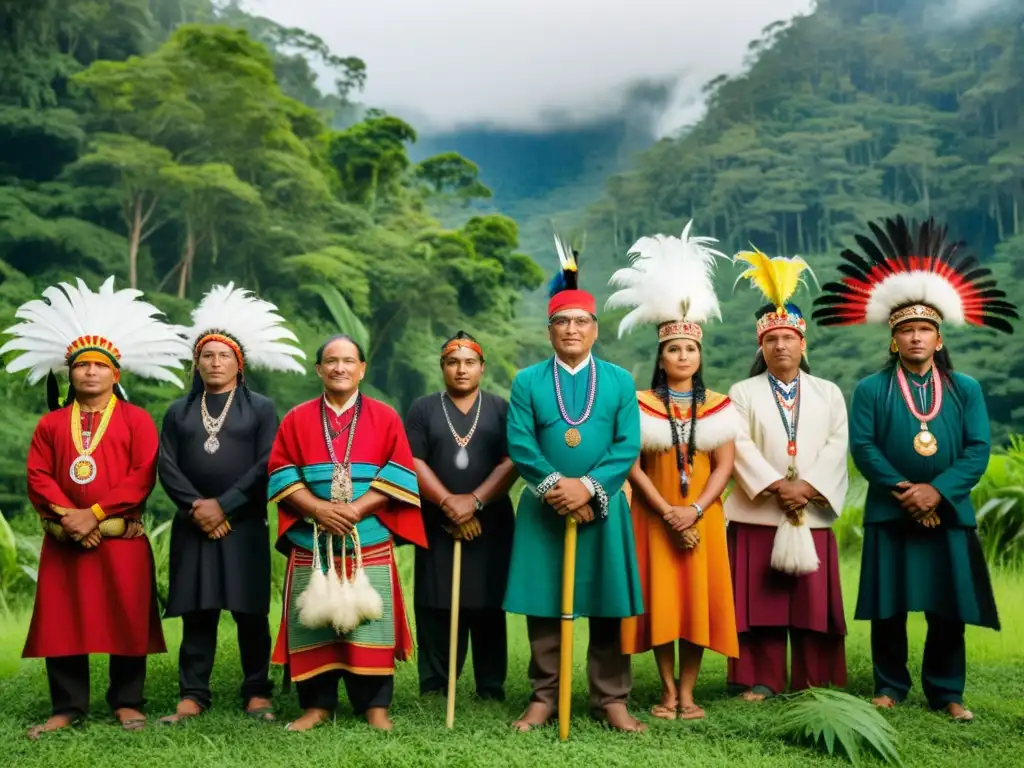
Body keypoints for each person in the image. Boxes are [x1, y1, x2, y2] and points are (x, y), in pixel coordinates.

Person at [812, 215, 1017, 722]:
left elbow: (976, 448)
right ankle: (890, 685)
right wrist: (907, 490)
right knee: (891, 604)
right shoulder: (871, 389)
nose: (917, 338)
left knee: (947, 606)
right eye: (907, 330)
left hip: (948, 511)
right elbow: (864, 447)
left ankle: (947, 690)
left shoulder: (964, 388)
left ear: (939, 338)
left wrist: (937, 494)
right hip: (892, 509)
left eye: (925, 329)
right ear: (894, 338)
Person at [1, 276, 192, 739]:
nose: (90, 373)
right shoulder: (51, 423)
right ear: (69, 373)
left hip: (118, 537)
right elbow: (38, 475)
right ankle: (68, 706)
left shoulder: (136, 420)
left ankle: (127, 702)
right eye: (82, 365)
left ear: (115, 374)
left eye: (98, 366)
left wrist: (97, 514)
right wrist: (70, 517)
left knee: (126, 615)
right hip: (66, 538)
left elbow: (142, 474)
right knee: (65, 620)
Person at [503, 233, 645, 733]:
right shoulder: (527, 381)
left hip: (604, 508)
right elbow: (521, 443)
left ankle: (610, 698)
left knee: (607, 603)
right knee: (544, 602)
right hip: (545, 510)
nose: (571, 329)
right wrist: (556, 489)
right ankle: (544, 695)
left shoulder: (620, 381)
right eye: (561, 321)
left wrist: (588, 488)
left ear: (594, 328)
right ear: (549, 330)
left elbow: (627, 445)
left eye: (580, 321)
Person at [606, 223, 739, 721]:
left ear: (700, 354)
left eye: (690, 349)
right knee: (663, 601)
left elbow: (724, 465)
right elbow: (631, 465)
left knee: (696, 602)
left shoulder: (720, 405)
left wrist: (695, 509)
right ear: (660, 357)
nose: (682, 355)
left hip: (703, 516)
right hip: (654, 515)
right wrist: (666, 511)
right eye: (673, 349)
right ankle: (665, 691)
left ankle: (689, 693)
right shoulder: (639, 404)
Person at [157, 284, 305, 724]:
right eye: (207, 355)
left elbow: (268, 463)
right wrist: (198, 509)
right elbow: (166, 465)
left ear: (239, 363)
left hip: (243, 524)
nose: (215, 362)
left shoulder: (260, 408)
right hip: (193, 524)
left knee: (248, 611)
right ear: (196, 362)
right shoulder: (178, 411)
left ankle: (256, 691)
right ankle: (193, 694)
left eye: (223, 356)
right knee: (197, 610)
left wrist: (225, 505)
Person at [267, 334, 427, 732]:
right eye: (331, 361)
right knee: (312, 622)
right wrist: (318, 509)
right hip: (313, 538)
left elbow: (399, 471)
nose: (340, 368)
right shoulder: (297, 417)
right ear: (319, 369)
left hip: (367, 535)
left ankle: (375, 707)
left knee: (372, 622)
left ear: (362, 369)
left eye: (348, 361)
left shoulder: (386, 416)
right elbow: (281, 471)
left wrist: (355, 508)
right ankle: (316, 705)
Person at [726, 249, 850, 701]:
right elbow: (737, 443)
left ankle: (814, 679)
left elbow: (839, 443)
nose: (781, 345)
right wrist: (778, 487)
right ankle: (761, 678)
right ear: (761, 346)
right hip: (761, 511)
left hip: (809, 513)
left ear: (804, 343)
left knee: (813, 604)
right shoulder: (742, 392)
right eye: (772, 338)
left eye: (789, 337)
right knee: (761, 602)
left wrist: (807, 488)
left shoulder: (829, 392)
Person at [405, 331, 518, 701]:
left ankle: (489, 684)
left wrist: (475, 502)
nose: (461, 370)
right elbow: (414, 461)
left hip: (490, 519)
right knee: (436, 598)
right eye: (453, 362)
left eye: (470, 362)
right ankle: (437, 682)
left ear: (482, 367)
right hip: (438, 520)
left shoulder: (501, 408)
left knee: (487, 599)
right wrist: (449, 504)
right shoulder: (423, 409)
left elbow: (512, 459)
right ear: (442, 367)